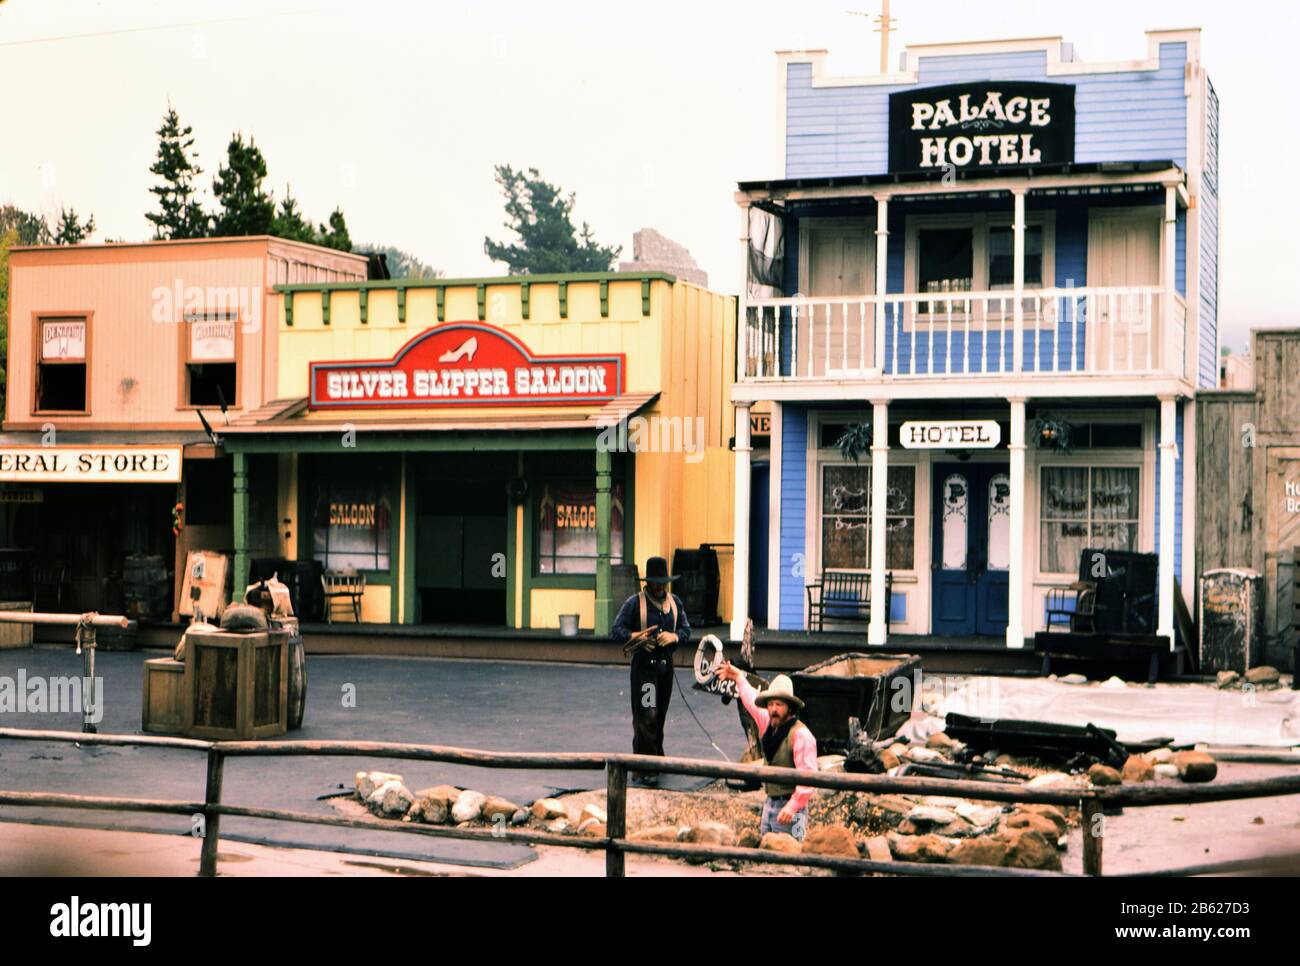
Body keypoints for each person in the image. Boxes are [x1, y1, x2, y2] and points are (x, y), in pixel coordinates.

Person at [611, 556, 691, 784]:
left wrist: (674, 636)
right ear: (647, 583)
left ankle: (655, 758)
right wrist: (638, 637)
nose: (658, 586)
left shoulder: (675, 602)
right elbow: (617, 630)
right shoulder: (635, 603)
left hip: (665, 670)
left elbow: (686, 629)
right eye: (654, 582)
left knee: (660, 716)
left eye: (661, 582)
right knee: (647, 715)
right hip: (644, 670)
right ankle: (645, 767)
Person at [715, 665, 817, 841]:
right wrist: (739, 678)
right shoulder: (770, 725)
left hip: (794, 807)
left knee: (795, 851)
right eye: (770, 704)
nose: (773, 709)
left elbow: (808, 777)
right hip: (770, 801)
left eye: (779, 704)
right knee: (766, 847)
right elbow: (752, 702)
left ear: (790, 707)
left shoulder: (801, 735)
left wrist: (793, 806)